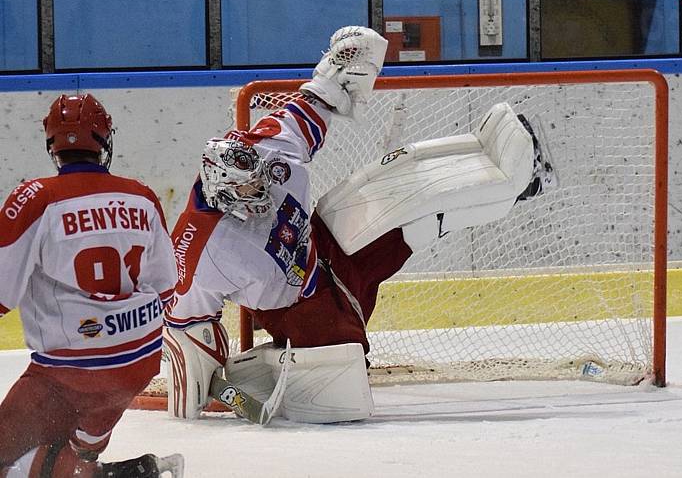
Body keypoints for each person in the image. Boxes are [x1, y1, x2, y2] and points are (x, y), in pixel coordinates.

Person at [163, 26, 556, 424]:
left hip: (318, 246)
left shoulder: (269, 149)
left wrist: (350, 65)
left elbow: (318, 98)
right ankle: (514, 185)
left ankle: (514, 171)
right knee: (344, 375)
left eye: (258, 179)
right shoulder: (195, 255)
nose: (259, 189)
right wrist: (197, 398)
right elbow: (185, 334)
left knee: (400, 187)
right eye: (246, 190)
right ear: (223, 194)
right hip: (300, 309)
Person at [0, 95, 183, 477]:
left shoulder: (36, 198)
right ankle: (114, 466)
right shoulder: (141, 195)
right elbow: (167, 287)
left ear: (52, 145)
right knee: (78, 447)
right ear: (104, 142)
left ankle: (110, 474)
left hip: (70, 372)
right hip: (138, 362)